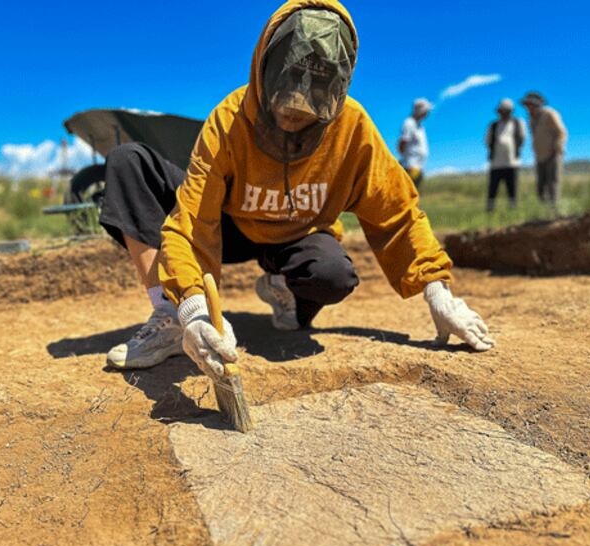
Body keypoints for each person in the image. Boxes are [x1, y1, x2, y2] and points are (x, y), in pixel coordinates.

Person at [99, 0, 495, 377]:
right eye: (285, 102)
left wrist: (438, 292)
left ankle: (281, 288)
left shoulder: (353, 129)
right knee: (128, 162)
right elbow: (191, 224)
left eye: (308, 110)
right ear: (264, 69)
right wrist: (192, 309)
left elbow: (397, 214)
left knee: (332, 275)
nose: (293, 116)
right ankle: (166, 313)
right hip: (230, 225)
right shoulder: (230, 119)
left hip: (295, 236)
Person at [520, 91, 567, 208]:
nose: (527, 108)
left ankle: (554, 211)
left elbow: (561, 132)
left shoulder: (549, 114)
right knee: (540, 186)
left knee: (553, 184)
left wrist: (557, 149)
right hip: (539, 156)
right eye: (526, 105)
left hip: (553, 155)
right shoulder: (531, 119)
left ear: (536, 105)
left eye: (529, 105)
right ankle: (543, 212)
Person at [484, 98, 526, 212]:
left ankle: (513, 210)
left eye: (507, 111)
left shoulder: (518, 123)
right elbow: (487, 141)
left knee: (512, 189)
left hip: (512, 163)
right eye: (502, 110)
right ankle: (490, 210)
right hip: (496, 163)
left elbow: (522, 138)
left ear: (511, 111)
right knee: (492, 189)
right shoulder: (493, 125)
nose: (504, 113)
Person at [398, 98, 433, 190]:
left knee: (415, 193)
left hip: (419, 165)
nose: (427, 114)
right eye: (426, 111)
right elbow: (402, 142)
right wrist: (406, 159)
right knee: (409, 192)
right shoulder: (409, 123)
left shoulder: (420, 126)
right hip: (411, 165)